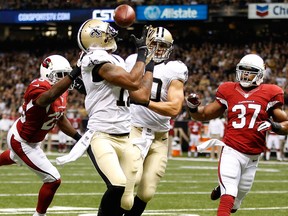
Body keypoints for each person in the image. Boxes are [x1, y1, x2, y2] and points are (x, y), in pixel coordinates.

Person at [68, 19, 154, 216]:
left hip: (126, 135)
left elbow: (139, 94)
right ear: (96, 37)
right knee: (117, 186)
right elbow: (133, 81)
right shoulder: (95, 58)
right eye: (106, 32)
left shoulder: (114, 60)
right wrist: (142, 53)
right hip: (102, 135)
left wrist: (150, 64)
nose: (112, 34)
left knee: (127, 199)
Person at [185, 53, 288, 215]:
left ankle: (223, 185)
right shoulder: (228, 89)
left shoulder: (271, 92)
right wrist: (192, 108)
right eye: (243, 70)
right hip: (231, 149)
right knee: (229, 194)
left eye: (250, 71)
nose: (246, 74)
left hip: (253, 155)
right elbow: (204, 114)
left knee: (236, 203)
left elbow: (286, 124)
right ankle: (226, 184)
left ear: (260, 73)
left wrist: (273, 125)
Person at [0, 54, 82, 216]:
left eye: (66, 75)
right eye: (60, 75)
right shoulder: (38, 86)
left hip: (30, 138)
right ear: (47, 73)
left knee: (15, 157)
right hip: (22, 140)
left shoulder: (62, 91)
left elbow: (59, 117)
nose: (64, 79)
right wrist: (74, 73)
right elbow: (47, 98)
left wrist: (79, 138)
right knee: (53, 180)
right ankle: (39, 215)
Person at [124, 26, 188, 216]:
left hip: (160, 136)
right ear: (146, 44)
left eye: (162, 45)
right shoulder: (132, 62)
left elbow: (175, 108)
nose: (158, 48)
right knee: (129, 183)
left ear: (169, 47)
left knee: (147, 191)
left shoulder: (174, 68)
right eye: (153, 44)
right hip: (134, 128)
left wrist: (146, 102)